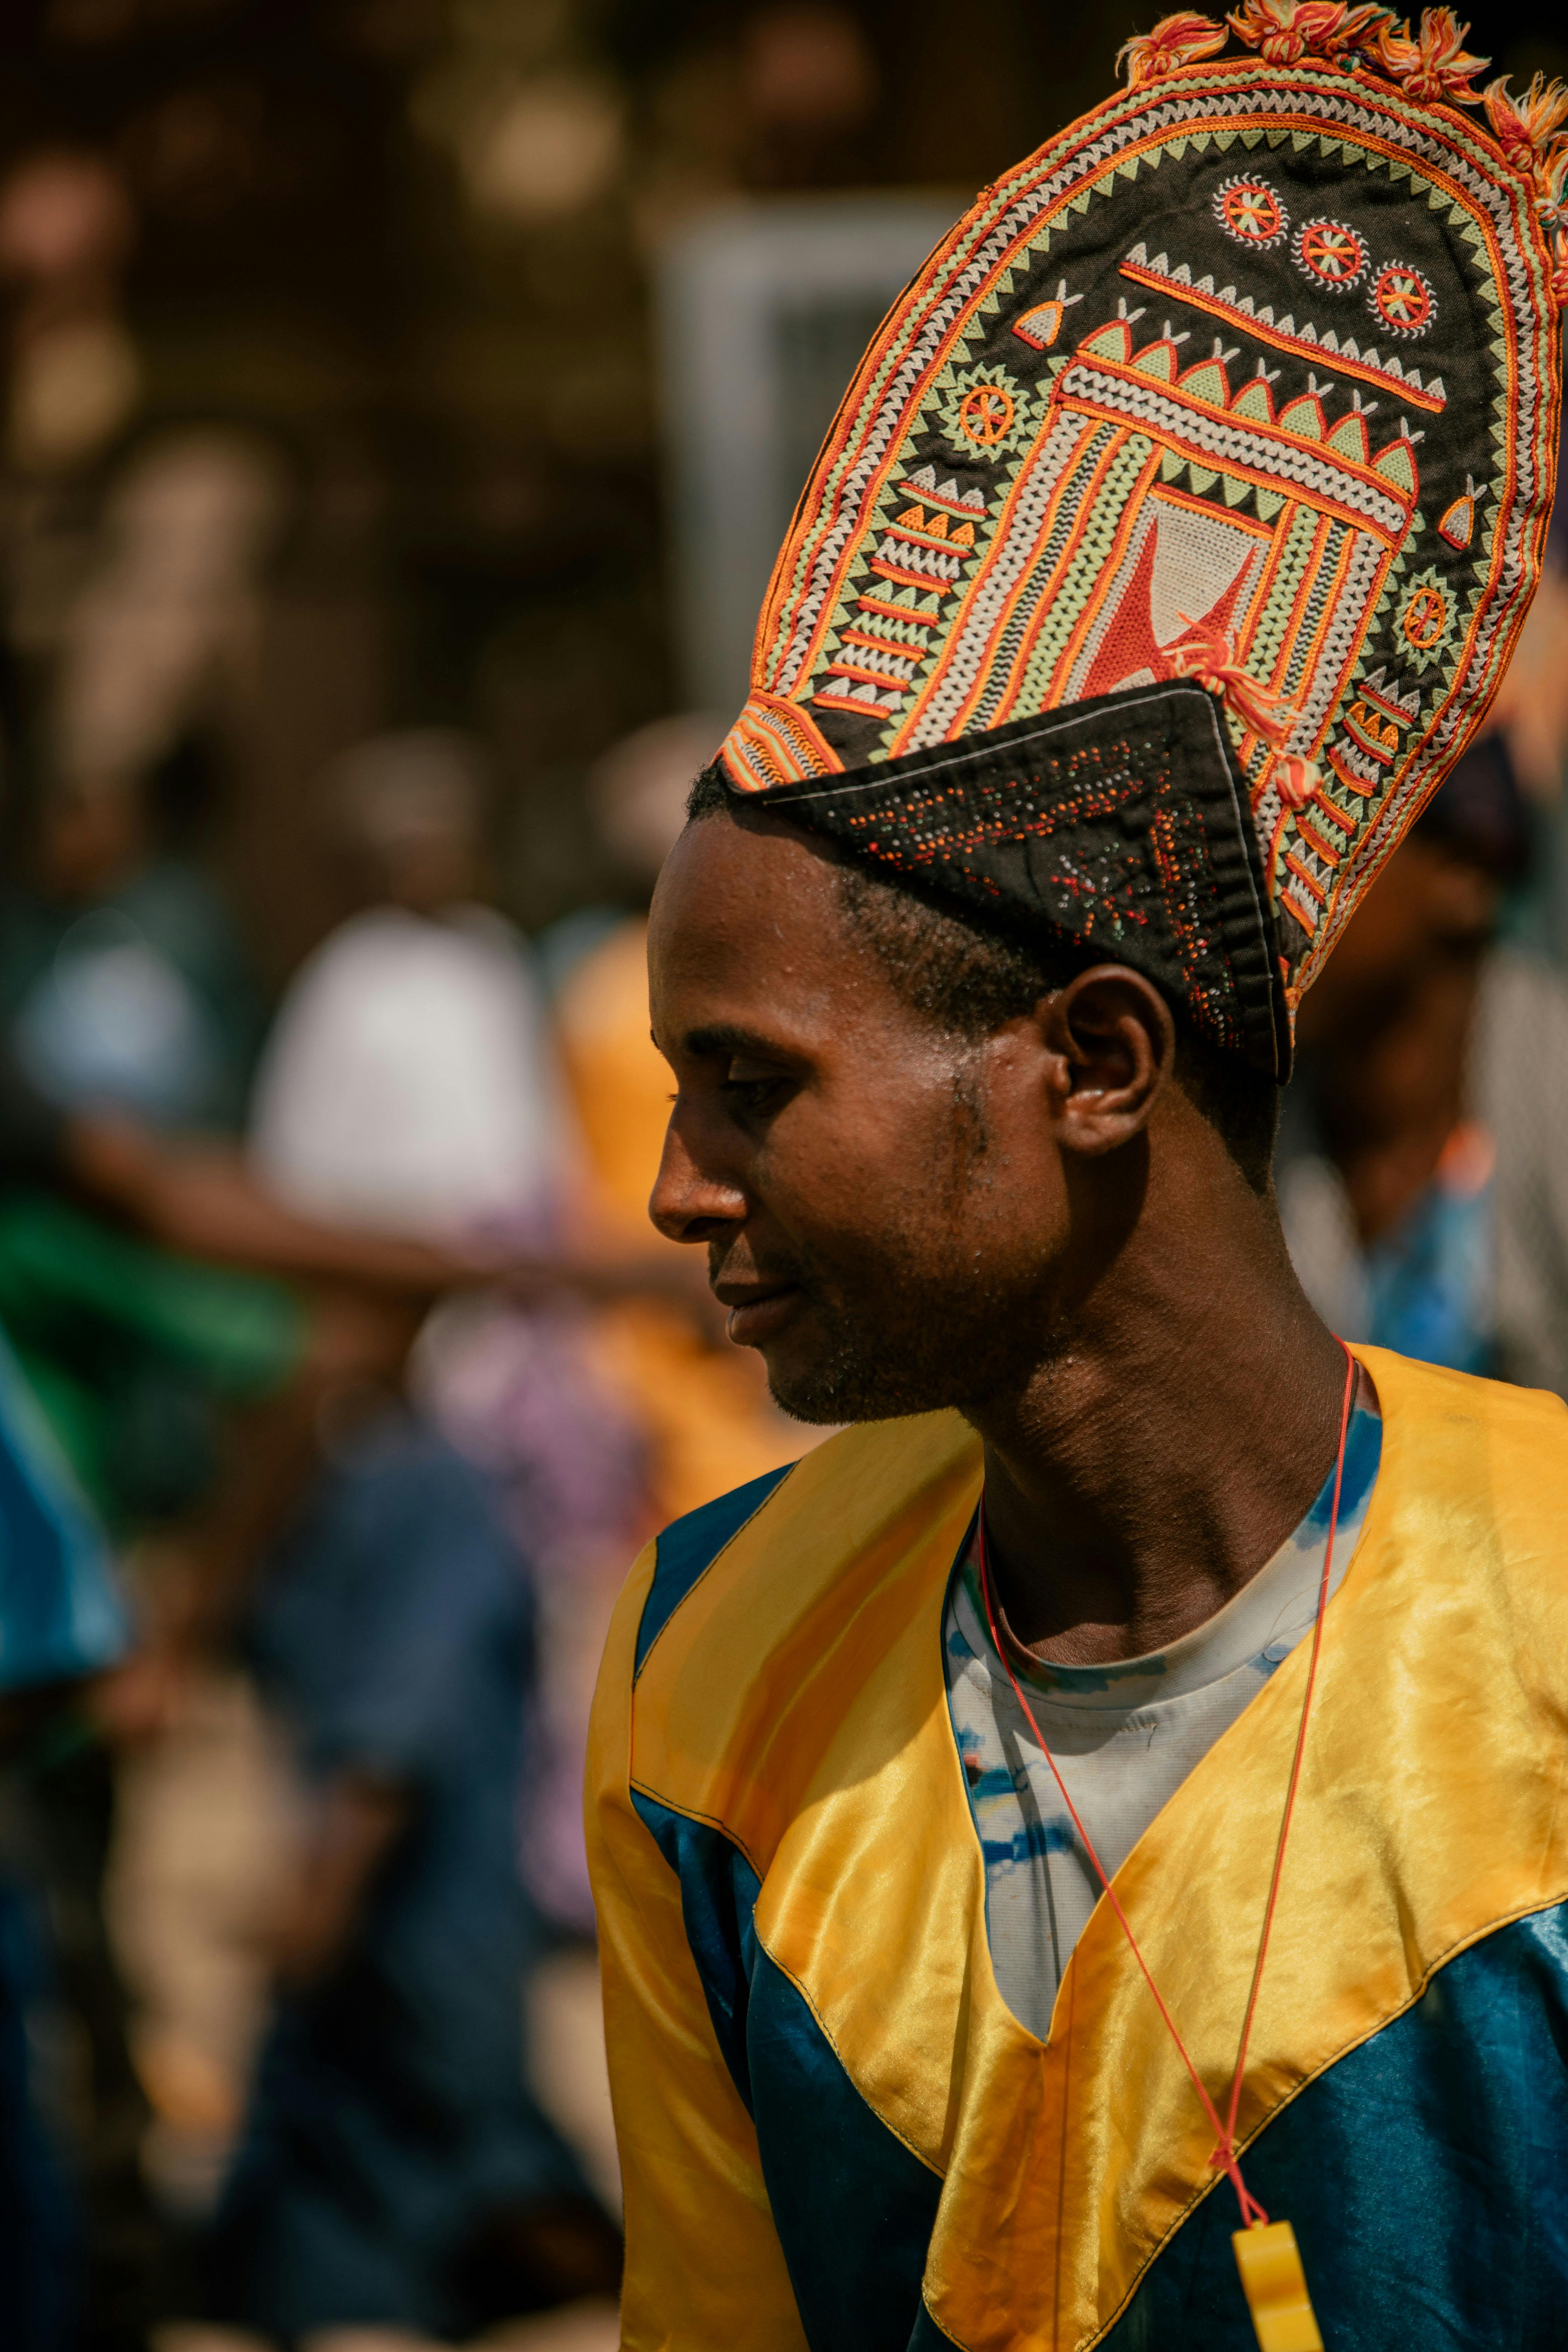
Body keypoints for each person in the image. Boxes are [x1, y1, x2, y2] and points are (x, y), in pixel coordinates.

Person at [587, 16, 1568, 2351]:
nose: (671, 1191)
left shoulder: (1548, 1639)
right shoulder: (708, 1667)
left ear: (1093, 1065)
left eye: (749, 1083)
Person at [1278, 730, 1568, 1391]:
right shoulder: (1270, 1125)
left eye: (1313, 844)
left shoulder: (1551, 1081)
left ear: (1461, 870)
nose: (1274, 890)